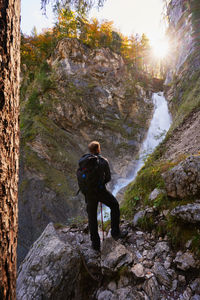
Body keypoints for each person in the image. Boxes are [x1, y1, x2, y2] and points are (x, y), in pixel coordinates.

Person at [84, 141, 127, 251]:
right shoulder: (103, 161)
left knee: (92, 217)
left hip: (89, 194)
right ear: (98, 149)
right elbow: (108, 177)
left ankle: (95, 244)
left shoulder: (84, 161)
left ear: (90, 150)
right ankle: (115, 233)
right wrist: (101, 183)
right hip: (100, 191)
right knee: (114, 206)